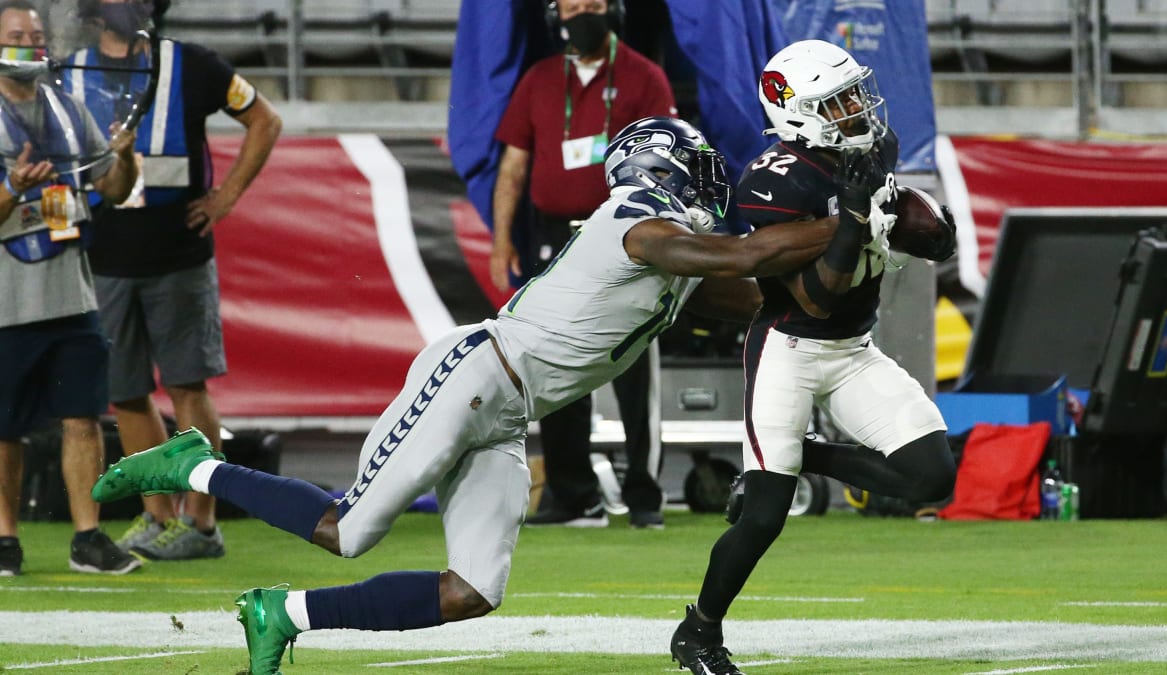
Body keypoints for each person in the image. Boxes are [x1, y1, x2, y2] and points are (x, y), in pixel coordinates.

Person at [92, 116, 843, 674]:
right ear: (666, 167)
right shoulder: (633, 223)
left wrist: (857, 266)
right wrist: (840, 223)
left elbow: (774, 300)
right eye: (701, 168)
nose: (715, 183)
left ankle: (282, 612)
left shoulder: (679, 263)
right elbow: (746, 253)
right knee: (345, 528)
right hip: (478, 371)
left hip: (511, 414)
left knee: (471, 590)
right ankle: (194, 464)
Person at [668, 40, 960, 675]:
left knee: (932, 477)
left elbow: (939, 247)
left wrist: (922, 226)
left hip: (854, 350)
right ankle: (698, 631)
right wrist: (854, 219)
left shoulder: (868, 150)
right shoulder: (775, 181)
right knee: (765, 518)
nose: (858, 108)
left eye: (856, 93)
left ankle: (805, 458)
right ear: (797, 111)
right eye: (840, 100)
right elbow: (818, 298)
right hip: (790, 346)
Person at [64, 0, 281, 561]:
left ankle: (202, 524)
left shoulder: (195, 64)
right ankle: (157, 514)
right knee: (125, 393)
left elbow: (265, 119)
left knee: (188, 386)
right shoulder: (70, 71)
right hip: (100, 258)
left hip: (178, 255)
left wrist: (226, 197)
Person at [492, 0, 676, 528]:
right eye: (575, 5)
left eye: (594, 4)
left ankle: (644, 496)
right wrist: (501, 238)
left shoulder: (644, 76)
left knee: (636, 367)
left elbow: (665, 158)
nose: (584, 14)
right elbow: (514, 165)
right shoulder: (540, 78)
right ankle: (574, 495)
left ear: (614, 10)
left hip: (625, 236)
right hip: (555, 240)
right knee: (553, 361)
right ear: (556, 15)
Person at [0, 0, 140, 576]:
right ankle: (5, 539)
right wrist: (11, 188)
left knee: (83, 417)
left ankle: (89, 536)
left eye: (35, 34)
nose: (29, 43)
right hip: (7, 301)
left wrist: (126, 161)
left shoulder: (69, 108)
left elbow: (113, 187)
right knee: (3, 429)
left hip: (72, 294)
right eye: (15, 34)